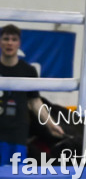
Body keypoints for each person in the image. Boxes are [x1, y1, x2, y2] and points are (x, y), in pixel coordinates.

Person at [0, 24, 64, 165]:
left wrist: (50, 124)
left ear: (19, 43)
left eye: (14, 39)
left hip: (18, 132)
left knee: (16, 178)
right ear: (0, 42)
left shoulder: (28, 71)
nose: (9, 43)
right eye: (6, 39)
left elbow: (35, 102)